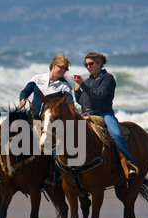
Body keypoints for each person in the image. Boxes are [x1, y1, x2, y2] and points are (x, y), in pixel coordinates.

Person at [73, 52, 139, 178]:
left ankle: (129, 163)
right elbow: (83, 101)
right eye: (86, 65)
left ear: (99, 64)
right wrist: (77, 91)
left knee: (116, 134)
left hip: (104, 114)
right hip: (87, 114)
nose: (88, 67)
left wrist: (83, 85)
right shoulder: (88, 81)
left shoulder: (107, 78)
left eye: (91, 64)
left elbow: (99, 94)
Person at [19, 54, 73, 186]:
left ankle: (52, 175)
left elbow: (70, 104)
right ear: (54, 65)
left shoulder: (64, 86)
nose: (64, 71)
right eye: (62, 67)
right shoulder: (38, 78)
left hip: (51, 123)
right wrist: (23, 99)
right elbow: (25, 91)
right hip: (34, 118)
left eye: (66, 69)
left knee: (53, 148)